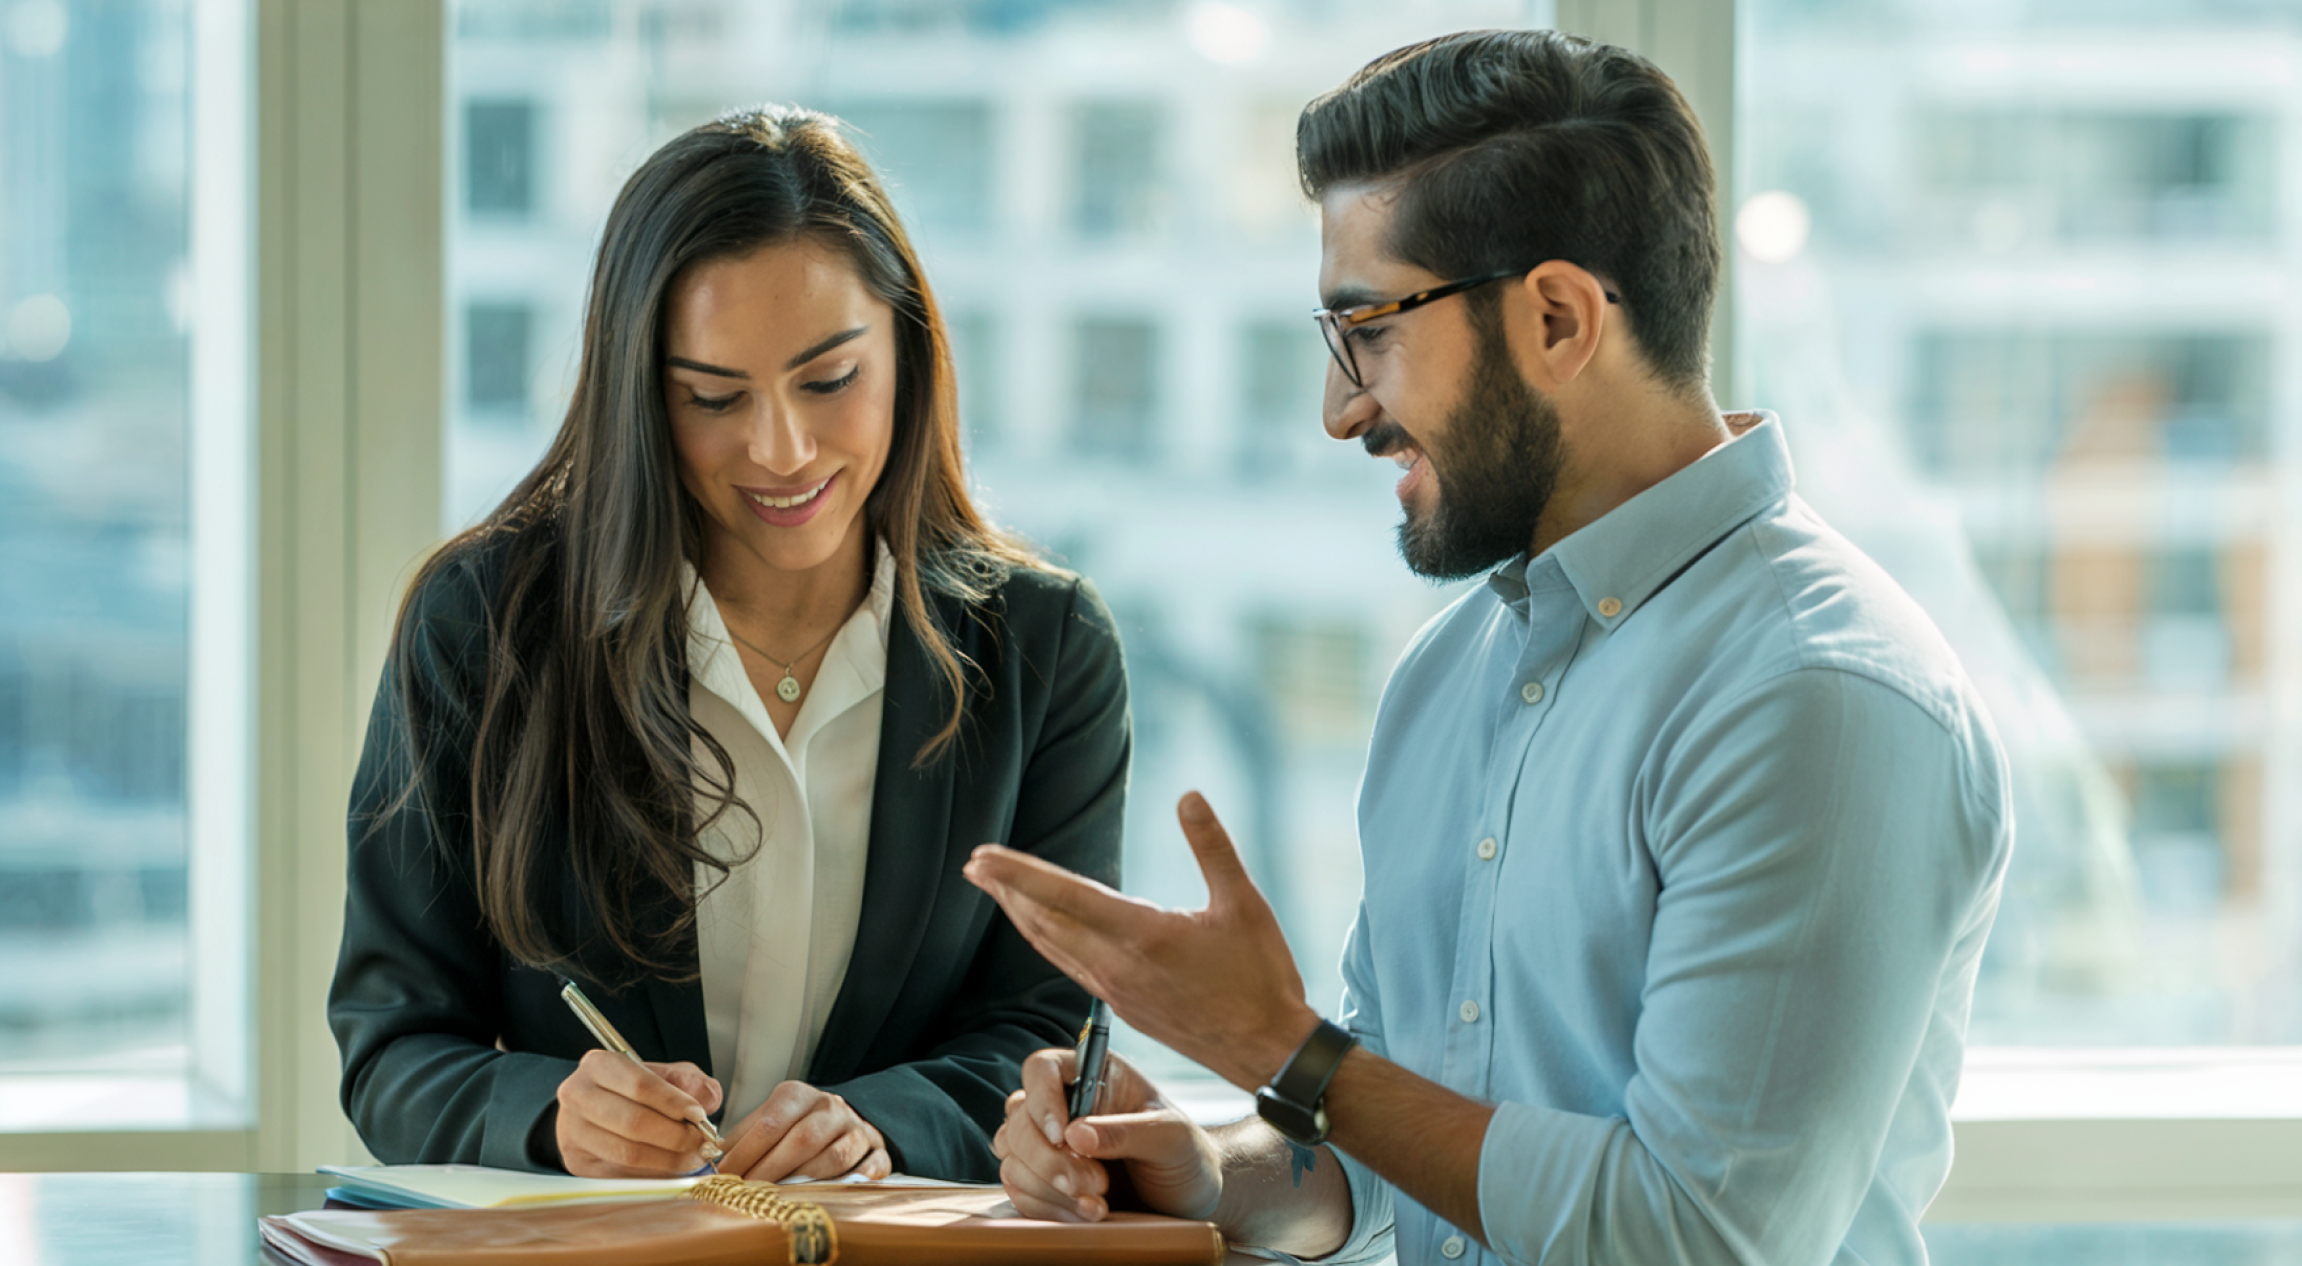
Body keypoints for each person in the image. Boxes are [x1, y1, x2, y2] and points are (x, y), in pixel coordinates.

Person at [964, 29, 2011, 1266]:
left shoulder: (1818, 698)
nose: (1340, 407)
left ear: (1559, 318)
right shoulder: (1446, 676)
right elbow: (1390, 1150)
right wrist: (1212, 1174)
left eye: (1371, 330)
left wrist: (1284, 1054)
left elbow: (1700, 1236)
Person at [328, 106, 1129, 1183]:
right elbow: (391, 1043)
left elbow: (1048, 1036)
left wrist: (884, 1123)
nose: (781, 449)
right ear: (638, 397)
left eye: (830, 381)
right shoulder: (484, 625)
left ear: (908, 350)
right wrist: (550, 1114)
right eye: (712, 397)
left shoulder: (1045, 649)